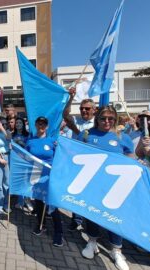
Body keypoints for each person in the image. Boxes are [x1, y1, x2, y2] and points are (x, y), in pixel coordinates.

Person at [78, 105, 134, 270]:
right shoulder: (87, 134)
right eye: (103, 118)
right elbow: (74, 153)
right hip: (92, 184)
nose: (107, 121)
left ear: (115, 119)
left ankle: (116, 250)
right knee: (92, 213)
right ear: (97, 119)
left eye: (111, 118)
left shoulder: (123, 137)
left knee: (114, 216)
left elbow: (131, 159)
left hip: (115, 186)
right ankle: (92, 241)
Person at [26, 117, 63, 247]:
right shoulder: (30, 140)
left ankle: (59, 233)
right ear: (35, 125)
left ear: (47, 126)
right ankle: (41, 225)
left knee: (52, 205)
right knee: (39, 203)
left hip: (49, 177)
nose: (41, 125)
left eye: (44, 124)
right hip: (36, 176)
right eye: (39, 123)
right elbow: (26, 156)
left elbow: (59, 158)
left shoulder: (53, 141)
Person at [62, 87, 96, 231]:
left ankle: (91, 222)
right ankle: (76, 219)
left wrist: (77, 131)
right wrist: (71, 98)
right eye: (82, 108)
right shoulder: (75, 120)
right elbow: (65, 114)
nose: (84, 111)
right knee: (75, 192)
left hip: (92, 165)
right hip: (75, 164)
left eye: (88, 109)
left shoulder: (97, 124)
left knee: (90, 194)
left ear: (94, 110)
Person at [12, 117, 34, 212]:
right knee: (19, 181)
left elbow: (30, 148)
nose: (18, 124)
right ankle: (20, 201)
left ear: (23, 124)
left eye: (20, 123)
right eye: (17, 123)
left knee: (27, 181)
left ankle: (28, 200)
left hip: (26, 161)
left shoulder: (28, 135)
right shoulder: (12, 135)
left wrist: (22, 144)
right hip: (16, 161)